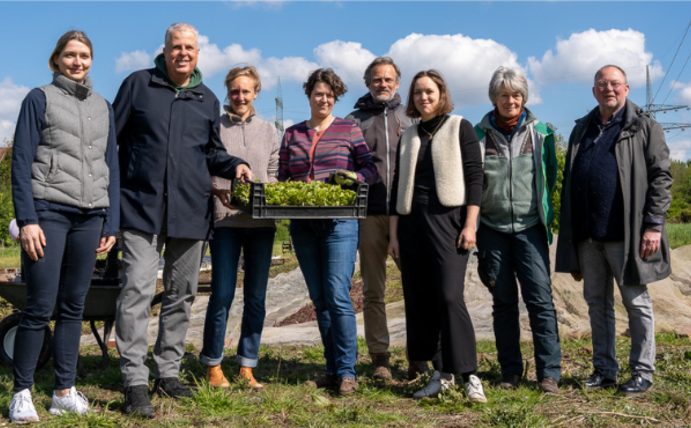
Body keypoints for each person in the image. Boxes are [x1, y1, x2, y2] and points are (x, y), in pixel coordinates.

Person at [113, 22, 252, 418]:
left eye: (189, 47)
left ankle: (168, 373)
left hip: (190, 209)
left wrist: (236, 164)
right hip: (139, 207)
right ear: (165, 49)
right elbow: (111, 143)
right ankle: (135, 381)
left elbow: (211, 151)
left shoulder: (206, 98)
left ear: (198, 52)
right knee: (136, 291)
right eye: (176, 46)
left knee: (181, 294)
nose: (183, 53)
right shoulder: (138, 85)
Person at [9, 30, 119, 423]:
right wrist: (28, 220)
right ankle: (22, 392)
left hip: (91, 215)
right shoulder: (38, 98)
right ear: (56, 60)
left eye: (85, 56)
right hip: (49, 212)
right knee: (39, 306)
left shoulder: (103, 106)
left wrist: (112, 219)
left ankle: (63, 391)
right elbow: (20, 162)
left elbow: (111, 167)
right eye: (70, 55)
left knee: (74, 306)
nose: (78, 62)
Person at [555, 65, 672, 395]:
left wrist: (653, 224)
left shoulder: (644, 126)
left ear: (627, 89)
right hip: (589, 236)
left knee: (636, 303)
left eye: (615, 84)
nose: (609, 89)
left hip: (629, 234)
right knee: (597, 304)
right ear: (594, 91)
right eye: (602, 84)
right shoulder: (583, 129)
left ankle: (642, 372)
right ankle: (604, 370)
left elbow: (661, 178)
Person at [387, 70, 486, 403]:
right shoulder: (409, 135)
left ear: (441, 93)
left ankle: (470, 375)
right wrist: (394, 236)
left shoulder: (461, 127)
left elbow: (475, 178)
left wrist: (470, 224)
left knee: (448, 297)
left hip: (449, 221)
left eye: (429, 91)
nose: (423, 98)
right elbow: (396, 187)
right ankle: (440, 374)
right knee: (421, 301)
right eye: (417, 93)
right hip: (412, 224)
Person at [278, 68, 377, 396]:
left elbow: (369, 169)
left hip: (340, 222)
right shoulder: (292, 134)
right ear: (309, 96)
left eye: (329, 95)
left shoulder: (348, 129)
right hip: (303, 226)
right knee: (320, 299)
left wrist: (354, 179)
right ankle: (333, 368)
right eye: (318, 94)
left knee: (337, 294)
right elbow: (281, 178)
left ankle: (348, 371)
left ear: (335, 98)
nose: (323, 99)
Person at [474, 67, 561, 393]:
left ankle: (549, 372)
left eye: (516, 95)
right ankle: (510, 371)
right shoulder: (478, 134)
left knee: (540, 301)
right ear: (494, 98)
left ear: (524, 97)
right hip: (491, 229)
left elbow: (549, 176)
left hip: (530, 228)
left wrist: (539, 212)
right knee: (504, 302)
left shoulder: (541, 133)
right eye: (503, 95)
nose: (510, 100)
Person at [199, 65, 279, 390]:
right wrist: (214, 189)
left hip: (261, 223)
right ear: (227, 92)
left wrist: (267, 192)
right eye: (234, 90)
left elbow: (274, 168)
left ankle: (247, 366)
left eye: (246, 90)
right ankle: (213, 365)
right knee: (221, 294)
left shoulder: (269, 129)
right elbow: (202, 163)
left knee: (256, 298)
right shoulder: (214, 126)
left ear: (256, 92)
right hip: (225, 221)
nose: (240, 96)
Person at [345, 57, 420, 380]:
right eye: (377, 80)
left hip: (408, 215)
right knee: (373, 290)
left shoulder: (412, 116)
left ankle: (420, 356)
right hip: (370, 214)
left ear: (398, 83)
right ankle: (380, 358)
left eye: (388, 80)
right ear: (368, 83)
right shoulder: (353, 120)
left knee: (417, 287)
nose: (383, 84)